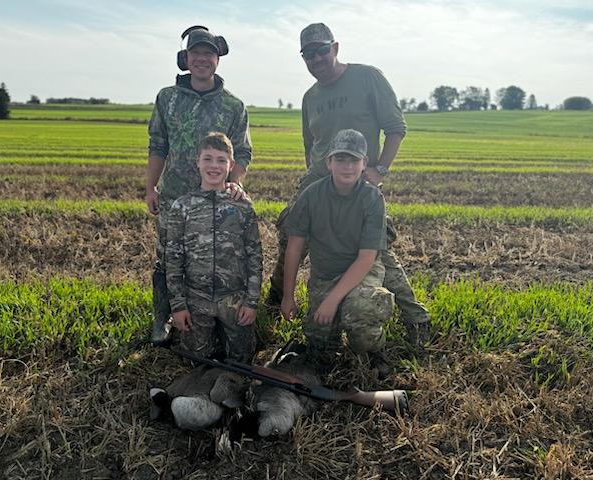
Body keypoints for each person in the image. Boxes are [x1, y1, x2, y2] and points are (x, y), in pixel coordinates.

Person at [270, 22, 430, 349]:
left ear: (335, 48)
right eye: (308, 54)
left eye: (321, 50)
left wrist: (379, 170)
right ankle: (278, 298)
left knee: (375, 248)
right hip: (318, 181)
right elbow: (310, 145)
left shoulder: (367, 78)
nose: (316, 59)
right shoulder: (310, 97)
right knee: (290, 235)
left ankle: (415, 316)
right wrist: (315, 183)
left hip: (358, 180)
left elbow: (396, 128)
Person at [145, 26, 252, 345]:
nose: (202, 59)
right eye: (196, 53)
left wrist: (235, 184)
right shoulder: (167, 98)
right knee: (168, 258)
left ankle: (213, 316)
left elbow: (242, 152)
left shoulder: (233, 106)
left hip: (216, 201)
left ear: (218, 60)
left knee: (215, 258)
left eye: (209, 53)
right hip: (174, 195)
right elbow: (158, 144)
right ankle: (162, 318)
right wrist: (151, 187)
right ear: (185, 58)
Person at [281, 129, 394, 369]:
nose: (347, 166)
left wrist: (333, 300)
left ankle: (374, 353)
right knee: (319, 346)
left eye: (354, 160)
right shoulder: (311, 195)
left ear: (364, 163)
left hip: (361, 273)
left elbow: (366, 258)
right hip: (325, 275)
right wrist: (288, 296)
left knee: (360, 309)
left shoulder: (373, 198)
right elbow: (294, 248)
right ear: (329, 162)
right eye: (341, 159)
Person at [164, 132, 262, 361]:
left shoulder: (242, 206)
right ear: (197, 162)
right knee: (194, 360)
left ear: (231, 165)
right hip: (196, 297)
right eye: (207, 158)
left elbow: (255, 256)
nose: (214, 166)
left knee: (242, 360)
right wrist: (178, 306)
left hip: (234, 298)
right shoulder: (182, 206)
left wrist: (251, 302)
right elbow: (173, 259)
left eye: (221, 160)